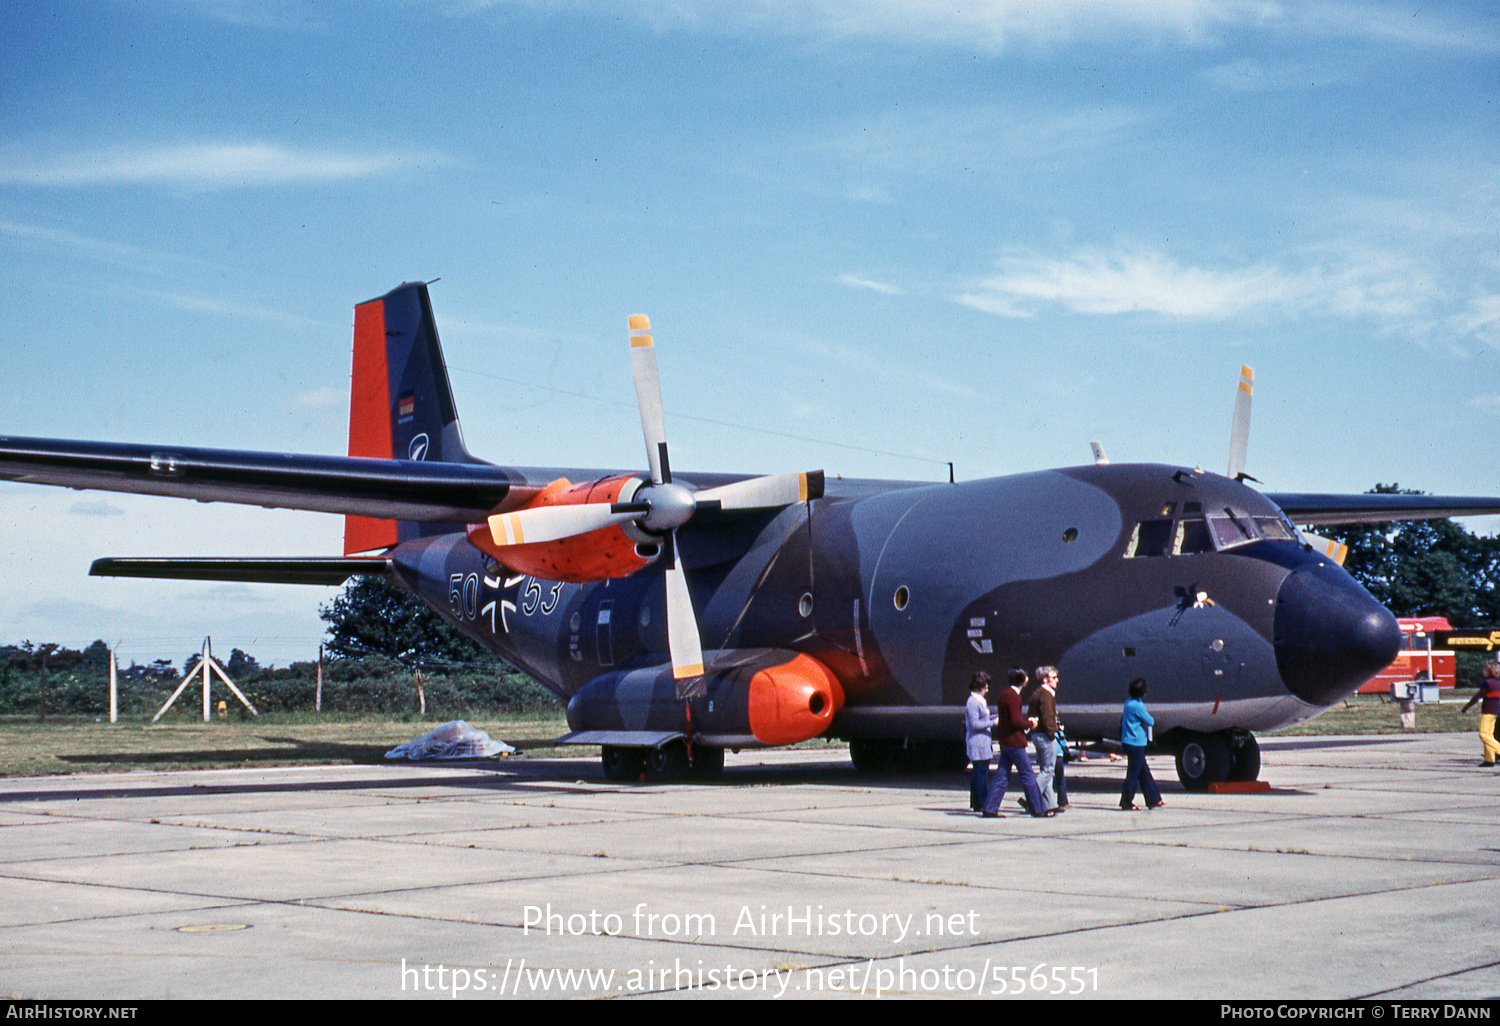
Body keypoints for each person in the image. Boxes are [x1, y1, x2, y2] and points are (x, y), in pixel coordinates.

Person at [982, 668, 1052, 818]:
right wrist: (1030, 723)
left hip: (1005, 740)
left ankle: (990, 808)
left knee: (1002, 774)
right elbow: (1015, 720)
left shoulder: (1004, 694)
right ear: (1023, 680)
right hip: (1014, 741)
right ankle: (1038, 809)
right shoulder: (1014, 697)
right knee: (1028, 775)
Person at [1120, 677, 1164, 810]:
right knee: (1133, 774)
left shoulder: (1128, 703)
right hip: (1136, 743)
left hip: (1128, 741)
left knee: (1144, 772)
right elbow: (1150, 721)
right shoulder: (1138, 705)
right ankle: (1126, 802)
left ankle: (1154, 799)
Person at [1030, 665, 1061, 813]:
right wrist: (1052, 733)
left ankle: (1051, 804)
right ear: (1044, 679)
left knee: (1045, 769)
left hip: (1036, 735)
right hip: (1045, 735)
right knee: (1048, 770)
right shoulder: (1046, 695)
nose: (1057, 680)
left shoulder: (1036, 694)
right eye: (1053, 678)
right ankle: (1029, 797)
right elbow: (1048, 717)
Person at [965, 672, 998, 811]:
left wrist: (996, 716)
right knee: (979, 773)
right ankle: (980, 802)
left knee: (982, 772)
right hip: (977, 741)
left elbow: (984, 718)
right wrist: (993, 723)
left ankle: (978, 802)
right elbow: (974, 724)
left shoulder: (981, 701)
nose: (987, 690)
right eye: (985, 687)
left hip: (984, 741)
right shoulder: (972, 702)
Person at [1460, 662, 1500, 767]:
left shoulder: (1487, 683)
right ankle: (1489, 759)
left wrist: (1466, 707)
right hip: (1495, 712)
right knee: (1489, 735)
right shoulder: (1498, 683)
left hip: (1487, 712)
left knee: (1483, 734)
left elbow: (1477, 696)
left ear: (1488, 671)